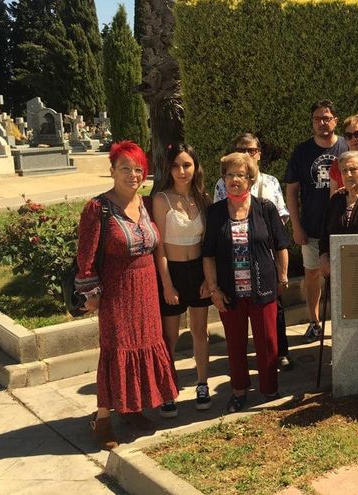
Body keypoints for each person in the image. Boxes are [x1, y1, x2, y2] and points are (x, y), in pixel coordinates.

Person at [75, 140, 178, 450]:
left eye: (138, 169)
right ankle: (103, 418)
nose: (132, 175)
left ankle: (132, 410)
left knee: (144, 346)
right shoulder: (98, 208)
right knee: (116, 350)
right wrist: (90, 294)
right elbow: (86, 256)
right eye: (125, 168)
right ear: (112, 171)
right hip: (117, 291)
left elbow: (157, 246)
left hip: (146, 290)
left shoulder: (146, 205)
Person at [203, 152, 290, 413]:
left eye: (240, 175)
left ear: (250, 179)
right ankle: (239, 391)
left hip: (263, 287)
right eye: (229, 175)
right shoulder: (216, 212)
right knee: (235, 343)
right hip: (229, 291)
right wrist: (214, 289)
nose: (234, 180)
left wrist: (283, 277)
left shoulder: (265, 208)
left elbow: (281, 246)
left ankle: (269, 389)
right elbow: (207, 254)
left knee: (268, 341)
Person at [214, 134, 295, 371]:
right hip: (235, 260)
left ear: (259, 152)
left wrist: (262, 227)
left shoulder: (270, 182)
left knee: (273, 310)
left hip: (265, 254)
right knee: (240, 314)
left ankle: (280, 352)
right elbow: (220, 214)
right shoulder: (223, 183)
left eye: (251, 150)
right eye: (241, 149)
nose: (247, 154)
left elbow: (282, 212)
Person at [152, 144, 213, 417]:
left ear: (195, 167)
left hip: (198, 273)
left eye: (187, 165)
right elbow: (159, 247)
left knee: (200, 332)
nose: (182, 171)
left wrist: (208, 278)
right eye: (176, 165)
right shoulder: (161, 199)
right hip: (172, 272)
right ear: (169, 169)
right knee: (170, 336)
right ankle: (167, 389)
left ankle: (202, 384)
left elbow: (207, 243)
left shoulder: (203, 199)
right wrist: (166, 284)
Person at [285, 100, 348, 343]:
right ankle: (314, 321)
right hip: (311, 227)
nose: (322, 122)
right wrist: (296, 225)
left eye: (327, 117)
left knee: (344, 276)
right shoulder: (302, 152)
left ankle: (344, 323)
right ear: (312, 123)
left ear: (335, 120)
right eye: (317, 119)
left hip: (343, 227)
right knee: (312, 276)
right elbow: (291, 191)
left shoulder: (346, 146)